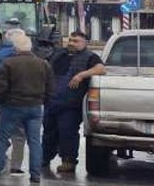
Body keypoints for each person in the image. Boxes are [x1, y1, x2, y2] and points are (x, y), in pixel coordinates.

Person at [0, 29, 48, 185]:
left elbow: (0, 85)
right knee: (33, 140)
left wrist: (5, 101)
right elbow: (50, 86)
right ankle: (33, 173)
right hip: (34, 107)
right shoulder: (42, 63)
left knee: (2, 136)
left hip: (12, 106)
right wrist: (41, 99)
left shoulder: (5, 60)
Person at [42, 30, 106, 176]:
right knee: (48, 132)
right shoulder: (58, 54)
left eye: (76, 41)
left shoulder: (90, 57)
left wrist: (81, 75)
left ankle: (68, 161)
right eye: (70, 40)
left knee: (67, 132)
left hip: (70, 105)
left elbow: (101, 69)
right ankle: (44, 158)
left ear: (85, 43)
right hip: (51, 101)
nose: (71, 43)